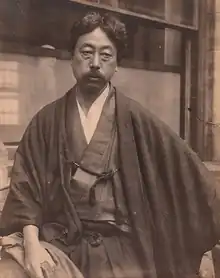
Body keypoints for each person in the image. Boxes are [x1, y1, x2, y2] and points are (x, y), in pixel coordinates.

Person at [0, 11, 219, 278]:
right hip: (61, 243)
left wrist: (202, 251)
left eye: (106, 56)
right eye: (86, 52)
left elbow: (189, 178)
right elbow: (26, 193)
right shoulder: (46, 121)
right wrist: (32, 247)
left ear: (117, 65)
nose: (95, 63)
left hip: (122, 250)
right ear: (71, 58)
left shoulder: (137, 119)